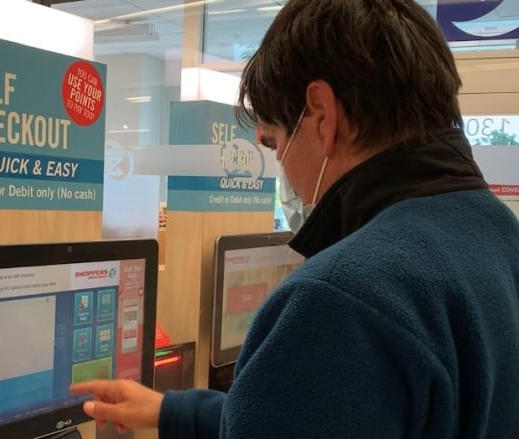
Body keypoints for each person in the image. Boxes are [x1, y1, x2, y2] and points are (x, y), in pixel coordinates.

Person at [71, 0, 519, 437]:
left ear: (322, 114)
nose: (282, 165)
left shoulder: (340, 300)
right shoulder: (500, 237)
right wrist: (174, 411)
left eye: (275, 142)